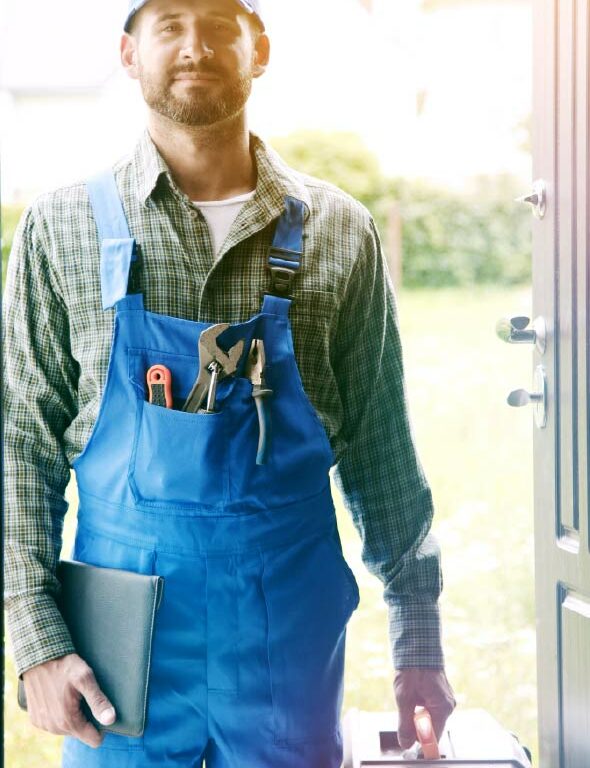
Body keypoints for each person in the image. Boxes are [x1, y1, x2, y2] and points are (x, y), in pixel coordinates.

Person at [3, 0, 456, 766]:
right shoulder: (61, 227)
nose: (193, 45)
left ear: (260, 48)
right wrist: (35, 640)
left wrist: (419, 640)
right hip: (120, 654)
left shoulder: (340, 231)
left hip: (286, 636)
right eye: (169, 23)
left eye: (219, 22)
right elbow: (18, 447)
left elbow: (383, 450)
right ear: (128, 53)